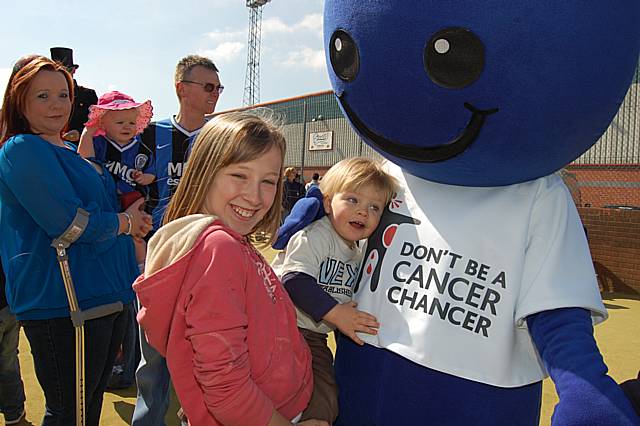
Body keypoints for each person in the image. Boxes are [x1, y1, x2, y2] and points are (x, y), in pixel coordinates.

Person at [134, 111, 327, 426]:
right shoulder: (218, 248)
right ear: (204, 173)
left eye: (268, 181)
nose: (254, 196)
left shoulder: (225, 238)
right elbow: (226, 386)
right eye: (239, 175)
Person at [0, 55, 152, 425]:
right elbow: (66, 224)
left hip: (106, 298)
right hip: (63, 303)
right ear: (19, 100)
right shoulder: (21, 148)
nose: (56, 105)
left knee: (87, 409)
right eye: (42, 96)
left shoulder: (73, 151)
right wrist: (124, 223)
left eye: (63, 95)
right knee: (70, 413)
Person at [133, 54, 222, 426]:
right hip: (160, 259)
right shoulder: (150, 135)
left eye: (218, 88)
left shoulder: (220, 137)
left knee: (206, 355)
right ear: (181, 89)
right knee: (153, 358)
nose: (215, 94)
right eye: (208, 86)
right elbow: (124, 187)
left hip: (207, 261)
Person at [272, 157, 396, 423]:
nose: (363, 212)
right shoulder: (317, 234)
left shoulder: (360, 252)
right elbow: (294, 279)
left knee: (325, 396)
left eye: (374, 207)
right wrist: (336, 313)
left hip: (314, 337)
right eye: (353, 200)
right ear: (328, 203)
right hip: (278, 326)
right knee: (260, 384)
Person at [77, 90, 155, 390]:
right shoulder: (97, 143)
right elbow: (83, 159)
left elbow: (151, 177)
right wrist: (89, 128)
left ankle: (142, 272)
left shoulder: (142, 146)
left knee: (138, 229)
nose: (126, 126)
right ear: (103, 123)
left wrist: (145, 179)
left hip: (133, 206)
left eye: (131, 121)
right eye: (119, 120)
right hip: (107, 211)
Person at [0, 262, 26, 425]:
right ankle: (14, 412)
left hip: (9, 306)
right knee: (8, 362)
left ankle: (14, 411)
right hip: (9, 305)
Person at [50, 47, 98, 133]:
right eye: (58, 71)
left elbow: (97, 123)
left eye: (66, 70)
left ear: (73, 70)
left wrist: (79, 133)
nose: (63, 74)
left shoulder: (87, 95)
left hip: (80, 144)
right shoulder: (45, 96)